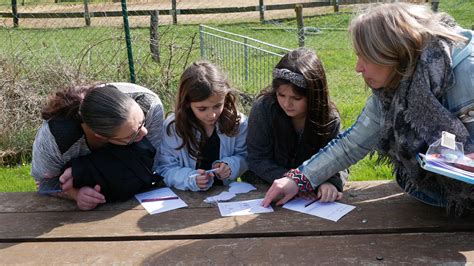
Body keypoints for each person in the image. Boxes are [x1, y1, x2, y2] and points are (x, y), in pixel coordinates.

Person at [262, 2, 474, 217]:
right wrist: (297, 179)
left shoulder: (469, 70)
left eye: (365, 57)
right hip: (443, 201)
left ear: (391, 52)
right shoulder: (392, 89)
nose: (357, 67)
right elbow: (351, 144)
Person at [31, 82, 164, 210]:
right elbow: (45, 183)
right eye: (131, 136)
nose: (145, 132)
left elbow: (149, 165)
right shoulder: (56, 139)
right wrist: (74, 194)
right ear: (101, 137)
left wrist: (81, 170)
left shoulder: (149, 105)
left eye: (142, 122)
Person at [245, 48, 347, 202]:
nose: (287, 103)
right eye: (281, 95)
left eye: (296, 97)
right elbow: (256, 159)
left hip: (310, 198)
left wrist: (332, 182)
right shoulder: (264, 109)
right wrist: (296, 182)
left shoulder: (329, 119)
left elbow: (339, 159)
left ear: (314, 95)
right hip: (261, 190)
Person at [155, 61, 248, 191]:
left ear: (225, 98)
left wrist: (231, 165)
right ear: (187, 104)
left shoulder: (237, 122)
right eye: (202, 108)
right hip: (185, 197)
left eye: (217, 106)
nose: (212, 115)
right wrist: (190, 179)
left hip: (227, 195)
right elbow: (164, 168)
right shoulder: (173, 128)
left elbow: (245, 155)